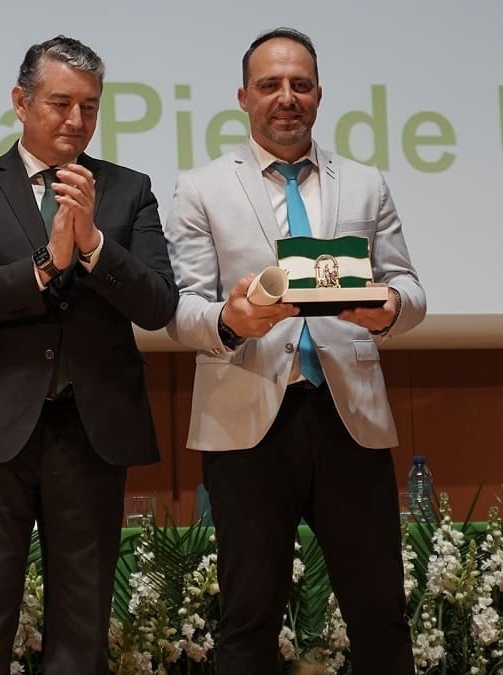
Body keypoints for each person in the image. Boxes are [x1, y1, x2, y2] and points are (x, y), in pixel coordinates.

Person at [166, 27, 424, 675]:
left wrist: (388, 308)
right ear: (243, 97)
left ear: (319, 95)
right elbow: (179, 309)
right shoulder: (200, 188)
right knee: (249, 618)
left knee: (380, 614)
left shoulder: (366, 183)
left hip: (350, 418)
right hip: (245, 420)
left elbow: (411, 290)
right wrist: (232, 318)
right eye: (270, 85)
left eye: (300, 84)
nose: (286, 97)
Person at [0, 35, 178, 674]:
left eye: (89, 107)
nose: (75, 122)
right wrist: (43, 268)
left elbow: (158, 305)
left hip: (91, 436)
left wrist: (93, 245)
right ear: (21, 101)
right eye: (60, 103)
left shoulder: (127, 190)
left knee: (81, 636)